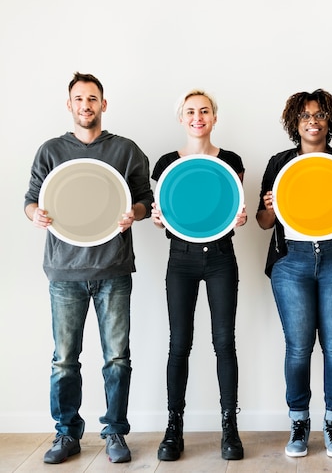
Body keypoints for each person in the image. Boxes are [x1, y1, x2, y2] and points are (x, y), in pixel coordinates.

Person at [24, 72, 153, 464]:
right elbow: (31, 200)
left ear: (103, 104)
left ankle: (115, 432)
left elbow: (146, 201)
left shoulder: (126, 151)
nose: (86, 105)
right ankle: (66, 435)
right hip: (64, 271)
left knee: (117, 358)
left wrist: (135, 213)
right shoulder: (50, 151)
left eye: (92, 98)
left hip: (113, 268)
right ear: (69, 105)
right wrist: (36, 216)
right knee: (65, 359)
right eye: (79, 99)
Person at [256, 89, 332, 458]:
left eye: (320, 115)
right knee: (299, 348)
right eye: (305, 116)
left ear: (329, 122)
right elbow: (262, 223)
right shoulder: (279, 163)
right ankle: (300, 423)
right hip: (291, 262)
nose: (312, 121)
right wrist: (269, 207)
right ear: (295, 122)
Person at [150, 90, 247, 461]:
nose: (197, 117)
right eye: (190, 111)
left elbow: (229, 208)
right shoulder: (166, 164)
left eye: (204, 110)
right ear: (181, 118)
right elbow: (167, 212)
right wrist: (158, 219)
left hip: (221, 257)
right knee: (180, 343)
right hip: (181, 259)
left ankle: (229, 428)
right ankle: (174, 428)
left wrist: (239, 217)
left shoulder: (231, 161)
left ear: (214, 117)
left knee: (224, 342)